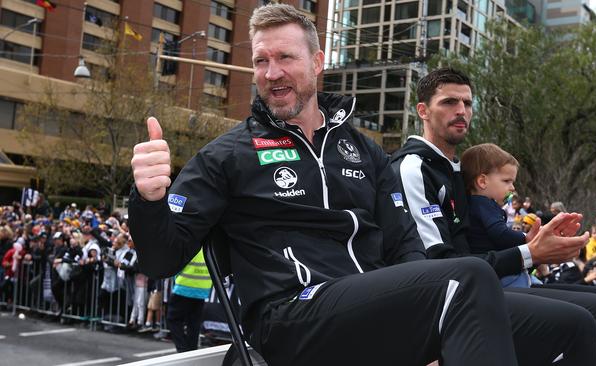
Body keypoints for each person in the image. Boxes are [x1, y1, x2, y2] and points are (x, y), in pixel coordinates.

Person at [129, 4, 536, 365]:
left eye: (285, 57)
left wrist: (429, 317)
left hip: (369, 308)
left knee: (583, 318)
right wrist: (148, 198)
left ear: (318, 62)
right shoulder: (226, 155)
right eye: (260, 61)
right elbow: (161, 260)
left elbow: (404, 246)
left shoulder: (364, 150)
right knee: (467, 278)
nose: (272, 74)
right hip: (290, 317)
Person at [390, 67, 596, 366]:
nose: (461, 111)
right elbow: (438, 265)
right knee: (590, 318)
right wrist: (528, 253)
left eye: (468, 103)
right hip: (452, 298)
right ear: (423, 110)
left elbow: (481, 241)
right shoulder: (413, 167)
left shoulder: (461, 169)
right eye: (449, 102)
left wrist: (538, 245)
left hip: (490, 281)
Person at [459, 143, 537, 288]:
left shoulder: (477, 204)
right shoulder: (483, 204)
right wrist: (526, 239)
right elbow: (500, 233)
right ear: (482, 181)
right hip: (501, 276)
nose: (512, 188)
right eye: (507, 181)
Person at [166, 249, 211, 352]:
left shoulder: (190, 243)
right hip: (202, 290)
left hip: (184, 287)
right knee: (193, 324)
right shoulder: (207, 247)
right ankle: (191, 350)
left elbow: (174, 264)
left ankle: (183, 349)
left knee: (173, 319)